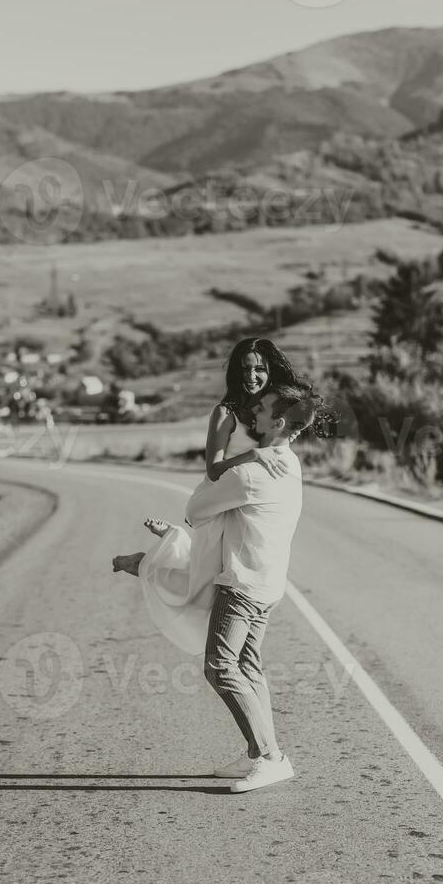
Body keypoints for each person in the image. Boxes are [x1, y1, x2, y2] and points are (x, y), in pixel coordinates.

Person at [113, 381, 329, 793]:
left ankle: (270, 757)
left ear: (278, 422)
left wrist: (238, 457)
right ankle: (259, 751)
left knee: (220, 666)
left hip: (243, 586)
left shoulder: (250, 473)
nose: (253, 410)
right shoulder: (290, 463)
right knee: (248, 667)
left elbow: (195, 510)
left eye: (261, 408)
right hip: (267, 582)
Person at [112, 338, 308, 657]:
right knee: (199, 591)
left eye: (260, 368)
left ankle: (167, 545)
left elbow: (289, 430)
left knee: (218, 584)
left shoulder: (273, 409)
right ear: (235, 372)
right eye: (245, 368)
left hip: (250, 511)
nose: (252, 375)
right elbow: (214, 469)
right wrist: (254, 456)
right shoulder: (225, 412)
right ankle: (145, 563)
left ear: (271, 371)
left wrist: (291, 432)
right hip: (223, 500)